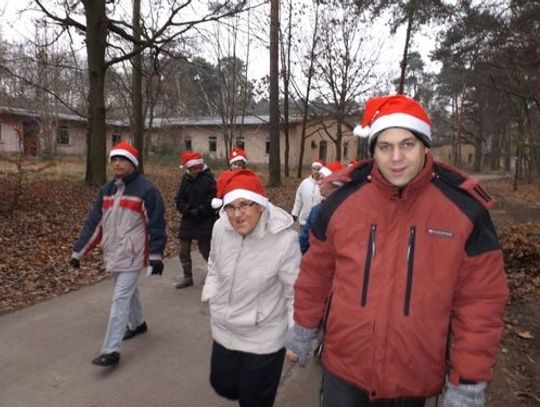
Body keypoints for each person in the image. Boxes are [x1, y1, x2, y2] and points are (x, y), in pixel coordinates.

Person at [286, 94, 509, 406]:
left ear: (425, 146)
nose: (396, 157)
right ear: (373, 151)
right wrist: (303, 327)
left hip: (413, 378)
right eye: (385, 146)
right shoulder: (341, 203)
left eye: (407, 144)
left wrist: (468, 381)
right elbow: (315, 275)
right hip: (344, 370)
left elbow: (481, 303)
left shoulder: (465, 211)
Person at [202, 169, 301, 407]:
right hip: (225, 329)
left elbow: (295, 292)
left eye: (245, 205)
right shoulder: (220, 228)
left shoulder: (284, 241)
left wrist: (295, 335)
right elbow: (214, 262)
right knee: (222, 384)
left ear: (261, 206)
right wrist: (212, 293)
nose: (237, 215)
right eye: (230, 207)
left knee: (254, 401)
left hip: (263, 337)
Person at [69, 141, 167, 367]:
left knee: (120, 298)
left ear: (133, 163)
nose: (117, 163)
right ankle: (138, 323)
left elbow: (156, 224)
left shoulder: (147, 190)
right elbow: (95, 223)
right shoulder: (107, 190)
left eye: (122, 159)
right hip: (114, 251)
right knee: (128, 293)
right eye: (114, 159)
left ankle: (111, 350)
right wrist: (79, 252)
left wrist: (156, 256)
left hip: (133, 253)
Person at [174, 151, 217, 289]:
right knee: (183, 249)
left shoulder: (209, 179)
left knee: (205, 249)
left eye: (195, 169)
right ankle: (187, 277)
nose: (193, 171)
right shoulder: (185, 180)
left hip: (205, 218)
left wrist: (201, 210)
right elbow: (179, 199)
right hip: (189, 218)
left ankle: (214, 273)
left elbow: (212, 199)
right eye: (191, 169)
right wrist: (187, 209)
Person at [299, 160, 344, 255]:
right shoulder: (347, 206)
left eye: (322, 179)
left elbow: (305, 240)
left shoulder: (319, 210)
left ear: (334, 182)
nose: (319, 182)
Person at [291, 159, 325, 225]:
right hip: (304, 221)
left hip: (318, 223)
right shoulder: (305, 183)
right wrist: (295, 213)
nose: (316, 171)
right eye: (314, 169)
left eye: (318, 169)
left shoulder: (324, 185)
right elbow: (299, 199)